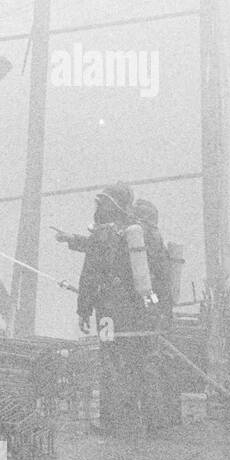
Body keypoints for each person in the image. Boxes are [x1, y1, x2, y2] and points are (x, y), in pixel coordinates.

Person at [73, 183, 155, 436]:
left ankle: (112, 422)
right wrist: (159, 313)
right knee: (135, 362)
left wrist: (83, 309)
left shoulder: (102, 235)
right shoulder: (145, 233)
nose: (98, 208)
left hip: (109, 312)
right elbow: (159, 276)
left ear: (111, 206)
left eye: (102, 203)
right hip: (139, 312)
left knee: (110, 360)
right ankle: (138, 419)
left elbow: (90, 276)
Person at [131, 198, 178, 430]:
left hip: (151, 307)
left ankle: (156, 420)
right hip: (156, 307)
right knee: (157, 362)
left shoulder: (144, 237)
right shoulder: (154, 236)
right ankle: (165, 418)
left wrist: (152, 305)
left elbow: (156, 281)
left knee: (149, 364)